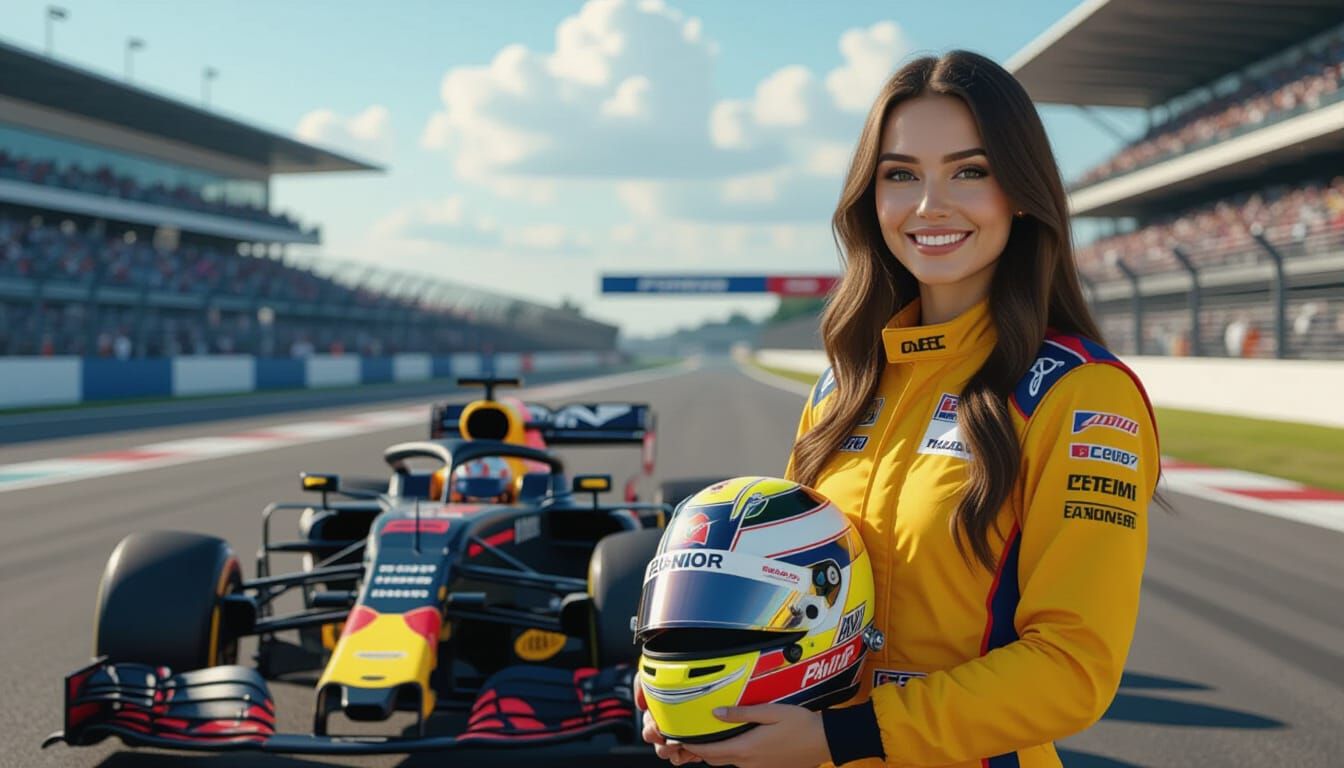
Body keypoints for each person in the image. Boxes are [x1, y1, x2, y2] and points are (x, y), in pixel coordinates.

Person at [641, 50, 1160, 768]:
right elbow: (805, 615)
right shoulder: (841, 390)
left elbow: (1073, 668)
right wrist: (709, 701)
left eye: (969, 171)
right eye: (901, 175)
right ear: (871, 197)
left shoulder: (1082, 396)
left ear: (1020, 190)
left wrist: (845, 737)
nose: (929, 205)